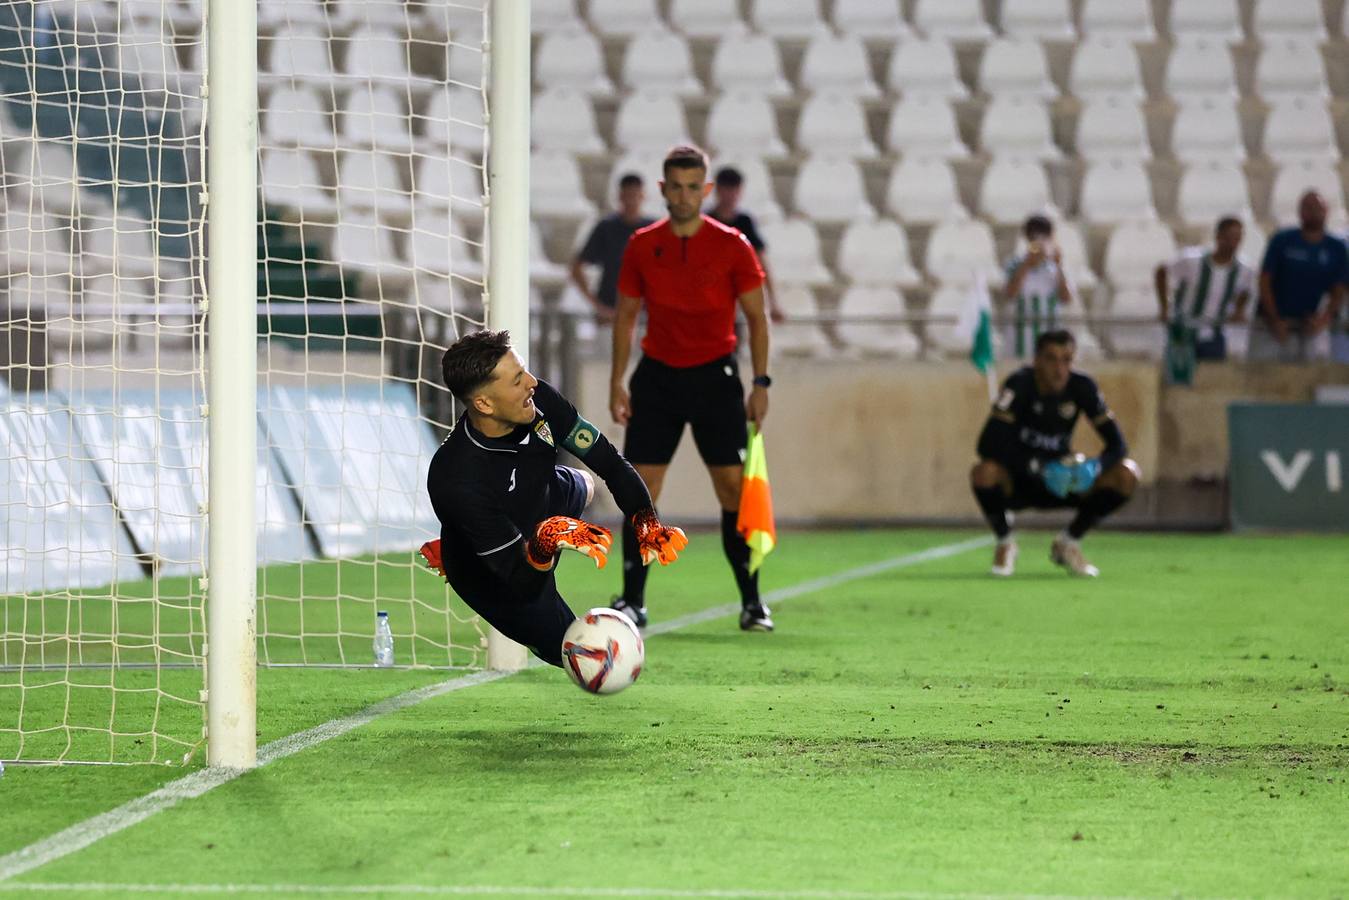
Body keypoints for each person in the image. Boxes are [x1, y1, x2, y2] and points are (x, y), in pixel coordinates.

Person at [423, 330, 688, 668]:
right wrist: (547, 539)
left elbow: (610, 461)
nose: (532, 382)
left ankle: (503, 529)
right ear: (484, 404)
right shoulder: (456, 478)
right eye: (517, 380)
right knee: (585, 658)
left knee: (588, 483)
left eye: (525, 371)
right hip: (494, 575)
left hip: (545, 496)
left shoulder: (539, 401)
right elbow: (524, 583)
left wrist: (645, 519)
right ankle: (465, 541)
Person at [609, 145, 774, 632]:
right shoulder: (642, 245)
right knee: (641, 491)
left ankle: (751, 601)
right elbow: (624, 317)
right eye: (674, 187)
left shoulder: (733, 245)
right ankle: (633, 600)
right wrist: (618, 381)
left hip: (715, 379)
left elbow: (758, 321)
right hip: (657, 377)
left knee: (731, 491)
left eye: (691, 187)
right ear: (662, 190)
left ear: (704, 190)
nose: (683, 196)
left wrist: (761, 382)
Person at [969, 330, 1141, 578]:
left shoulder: (1083, 387)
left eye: (1067, 360)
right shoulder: (1019, 385)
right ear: (1037, 360)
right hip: (1021, 480)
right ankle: (1006, 542)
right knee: (983, 472)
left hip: (1063, 482)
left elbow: (1118, 445)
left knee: (1127, 474)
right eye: (1051, 359)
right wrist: (1037, 466)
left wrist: (1095, 467)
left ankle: (1069, 543)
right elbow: (986, 445)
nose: (1060, 369)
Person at [1252, 190, 1349, 362]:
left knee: (1302, 380)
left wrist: (1322, 320)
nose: (1313, 212)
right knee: (1263, 378)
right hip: (1271, 324)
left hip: (1305, 326)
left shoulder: (1336, 248)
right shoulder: (1282, 240)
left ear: (1326, 211)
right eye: (1308, 207)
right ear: (1300, 211)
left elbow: (1338, 289)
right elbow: (1265, 280)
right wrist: (1274, 319)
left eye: (1317, 208)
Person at [1153, 216, 1254, 362]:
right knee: (1179, 379)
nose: (1233, 242)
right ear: (1218, 237)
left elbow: (1246, 289)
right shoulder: (1192, 260)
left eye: (1237, 237)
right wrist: (1164, 307)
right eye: (1229, 237)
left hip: (1214, 334)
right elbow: (1162, 271)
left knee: (1211, 381)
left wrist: (1239, 310)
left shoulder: (1244, 269)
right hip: (1183, 330)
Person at [569, 174, 656, 322]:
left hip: (646, 316)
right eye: (628, 195)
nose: (631, 201)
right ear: (620, 196)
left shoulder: (654, 230)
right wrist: (597, 306)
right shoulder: (606, 228)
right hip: (611, 312)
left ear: (643, 196)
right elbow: (577, 267)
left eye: (635, 195)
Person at [706, 166, 783, 322]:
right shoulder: (706, 222)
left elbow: (761, 262)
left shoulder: (745, 222)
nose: (730, 195)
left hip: (735, 298)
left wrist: (773, 301)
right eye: (726, 189)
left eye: (734, 190)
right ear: (717, 190)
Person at [1002, 215, 1075, 359]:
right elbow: (1010, 294)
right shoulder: (1013, 265)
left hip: (1051, 337)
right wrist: (1027, 265)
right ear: (1026, 238)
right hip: (1021, 339)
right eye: (1033, 236)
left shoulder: (1056, 267)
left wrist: (1059, 265)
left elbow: (1066, 298)